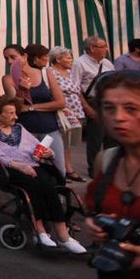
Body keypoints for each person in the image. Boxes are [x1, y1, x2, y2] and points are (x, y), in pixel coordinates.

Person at [82, 71, 140, 279]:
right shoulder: (107, 160)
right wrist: (97, 225)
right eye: (109, 108)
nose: (119, 117)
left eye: (131, 108)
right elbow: (97, 208)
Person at [0, 95, 86, 253]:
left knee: (49, 185)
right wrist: (18, 165)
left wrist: (47, 152)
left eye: (15, 112)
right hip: (7, 168)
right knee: (33, 187)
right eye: (10, 113)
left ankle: (63, 236)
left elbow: (36, 146)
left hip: (31, 165)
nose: (15, 116)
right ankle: (40, 231)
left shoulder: (19, 128)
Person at [12, 43, 68, 175]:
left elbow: (60, 102)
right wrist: (21, 91)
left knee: (59, 168)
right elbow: (18, 108)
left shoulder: (46, 73)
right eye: (7, 58)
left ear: (25, 56)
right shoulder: (10, 78)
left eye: (13, 57)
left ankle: (59, 194)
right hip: (26, 130)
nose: (10, 61)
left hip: (49, 128)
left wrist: (31, 107)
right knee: (30, 168)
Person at [74, 35, 116, 176]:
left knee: (112, 137)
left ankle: (110, 168)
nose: (106, 49)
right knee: (96, 138)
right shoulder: (79, 63)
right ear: (92, 48)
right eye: (103, 46)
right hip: (93, 101)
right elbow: (75, 88)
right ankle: (95, 170)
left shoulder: (107, 63)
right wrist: (87, 107)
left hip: (108, 102)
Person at [49, 45, 87, 181]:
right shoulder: (51, 72)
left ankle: (68, 167)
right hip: (62, 112)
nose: (71, 60)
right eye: (68, 58)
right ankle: (64, 169)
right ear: (58, 59)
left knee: (69, 142)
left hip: (75, 111)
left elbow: (77, 90)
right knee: (63, 141)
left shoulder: (70, 73)